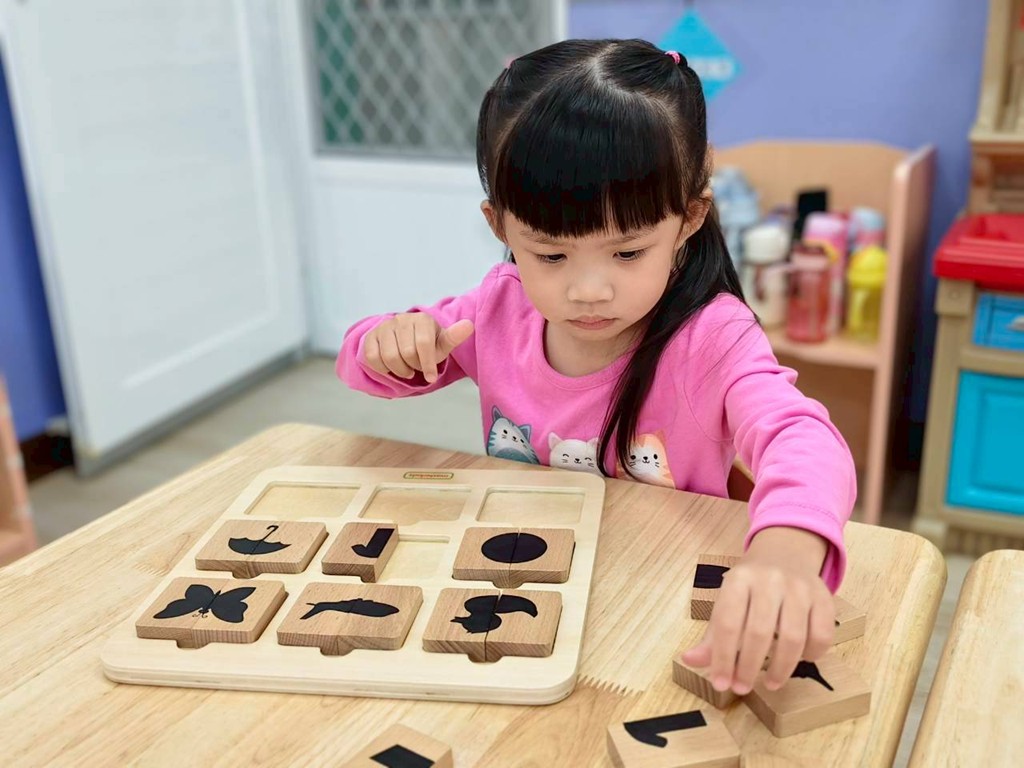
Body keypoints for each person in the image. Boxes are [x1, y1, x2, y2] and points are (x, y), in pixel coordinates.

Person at [337, 38, 856, 698]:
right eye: (551, 255)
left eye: (627, 252)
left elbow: (803, 438)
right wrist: (388, 344)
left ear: (689, 219)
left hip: (653, 605)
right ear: (500, 227)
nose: (588, 290)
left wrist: (787, 548)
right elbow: (361, 360)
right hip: (523, 589)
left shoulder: (713, 338)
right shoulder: (496, 310)